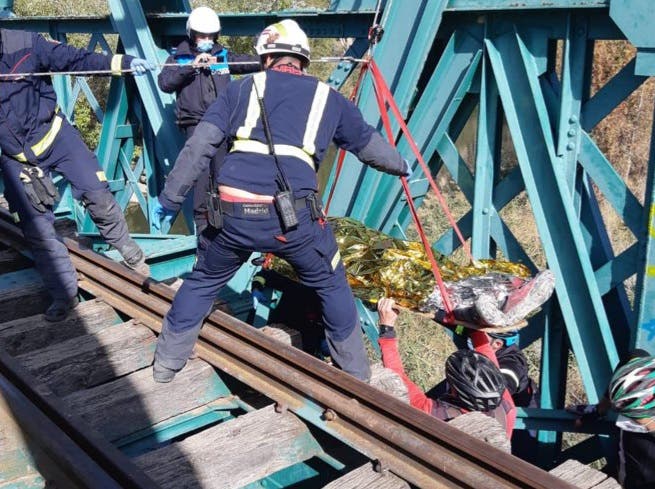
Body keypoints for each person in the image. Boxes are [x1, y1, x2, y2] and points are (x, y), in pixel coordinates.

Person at [151, 19, 410, 383]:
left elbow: (198, 148)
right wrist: (401, 166)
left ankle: (165, 364)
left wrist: (169, 199)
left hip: (233, 218)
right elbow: (368, 147)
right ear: (302, 60)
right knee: (331, 283)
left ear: (265, 58)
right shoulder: (328, 98)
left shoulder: (241, 90)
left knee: (203, 280)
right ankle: (357, 377)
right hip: (293, 224)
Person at [0, 28, 154, 322]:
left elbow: (73, 59)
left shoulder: (26, 43)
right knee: (38, 229)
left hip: (55, 135)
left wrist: (120, 63)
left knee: (94, 190)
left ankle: (126, 247)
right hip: (16, 158)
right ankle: (64, 294)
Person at [157, 6, 260, 259]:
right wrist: (191, 67)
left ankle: (229, 233)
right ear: (192, 34)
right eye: (201, 35)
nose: (206, 40)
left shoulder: (221, 56)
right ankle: (203, 242)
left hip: (224, 125)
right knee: (201, 183)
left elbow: (246, 64)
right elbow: (164, 83)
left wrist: (268, 59)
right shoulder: (178, 57)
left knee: (225, 178)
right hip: (195, 125)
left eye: (211, 35)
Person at [377, 298, 516, 438]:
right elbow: (487, 353)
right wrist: (468, 323)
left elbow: (396, 377)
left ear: (454, 391)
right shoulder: (506, 407)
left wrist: (386, 328)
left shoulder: (434, 413)